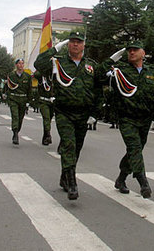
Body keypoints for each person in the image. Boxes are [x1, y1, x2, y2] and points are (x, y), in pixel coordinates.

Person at [34, 30, 101, 201]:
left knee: (76, 148)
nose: (75, 44)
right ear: (68, 44)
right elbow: (38, 64)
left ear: (83, 44)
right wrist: (56, 48)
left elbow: (98, 90)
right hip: (64, 112)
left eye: (78, 42)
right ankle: (72, 183)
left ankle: (65, 177)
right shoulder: (58, 62)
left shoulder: (91, 65)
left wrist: (94, 113)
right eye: (72, 41)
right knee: (69, 146)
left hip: (83, 114)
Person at [98, 41, 154, 198]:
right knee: (134, 148)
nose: (131, 52)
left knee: (136, 150)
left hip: (145, 118)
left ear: (143, 53)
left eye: (135, 50)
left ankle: (121, 179)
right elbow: (98, 75)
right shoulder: (120, 70)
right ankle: (143, 182)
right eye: (129, 51)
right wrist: (112, 59)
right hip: (127, 117)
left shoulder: (152, 71)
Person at [4, 59, 32, 145]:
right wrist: (6, 95)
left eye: (22, 63)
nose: (21, 65)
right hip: (13, 99)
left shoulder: (27, 76)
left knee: (20, 118)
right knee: (15, 116)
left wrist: (28, 102)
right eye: (19, 63)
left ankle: (17, 130)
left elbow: (29, 90)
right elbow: (7, 87)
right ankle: (15, 134)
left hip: (23, 100)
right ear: (16, 65)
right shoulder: (11, 75)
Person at [33, 71, 54, 145]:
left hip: (53, 102)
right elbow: (36, 74)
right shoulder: (42, 76)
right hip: (43, 101)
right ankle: (48, 135)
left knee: (49, 119)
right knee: (46, 118)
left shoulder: (55, 76)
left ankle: (45, 135)